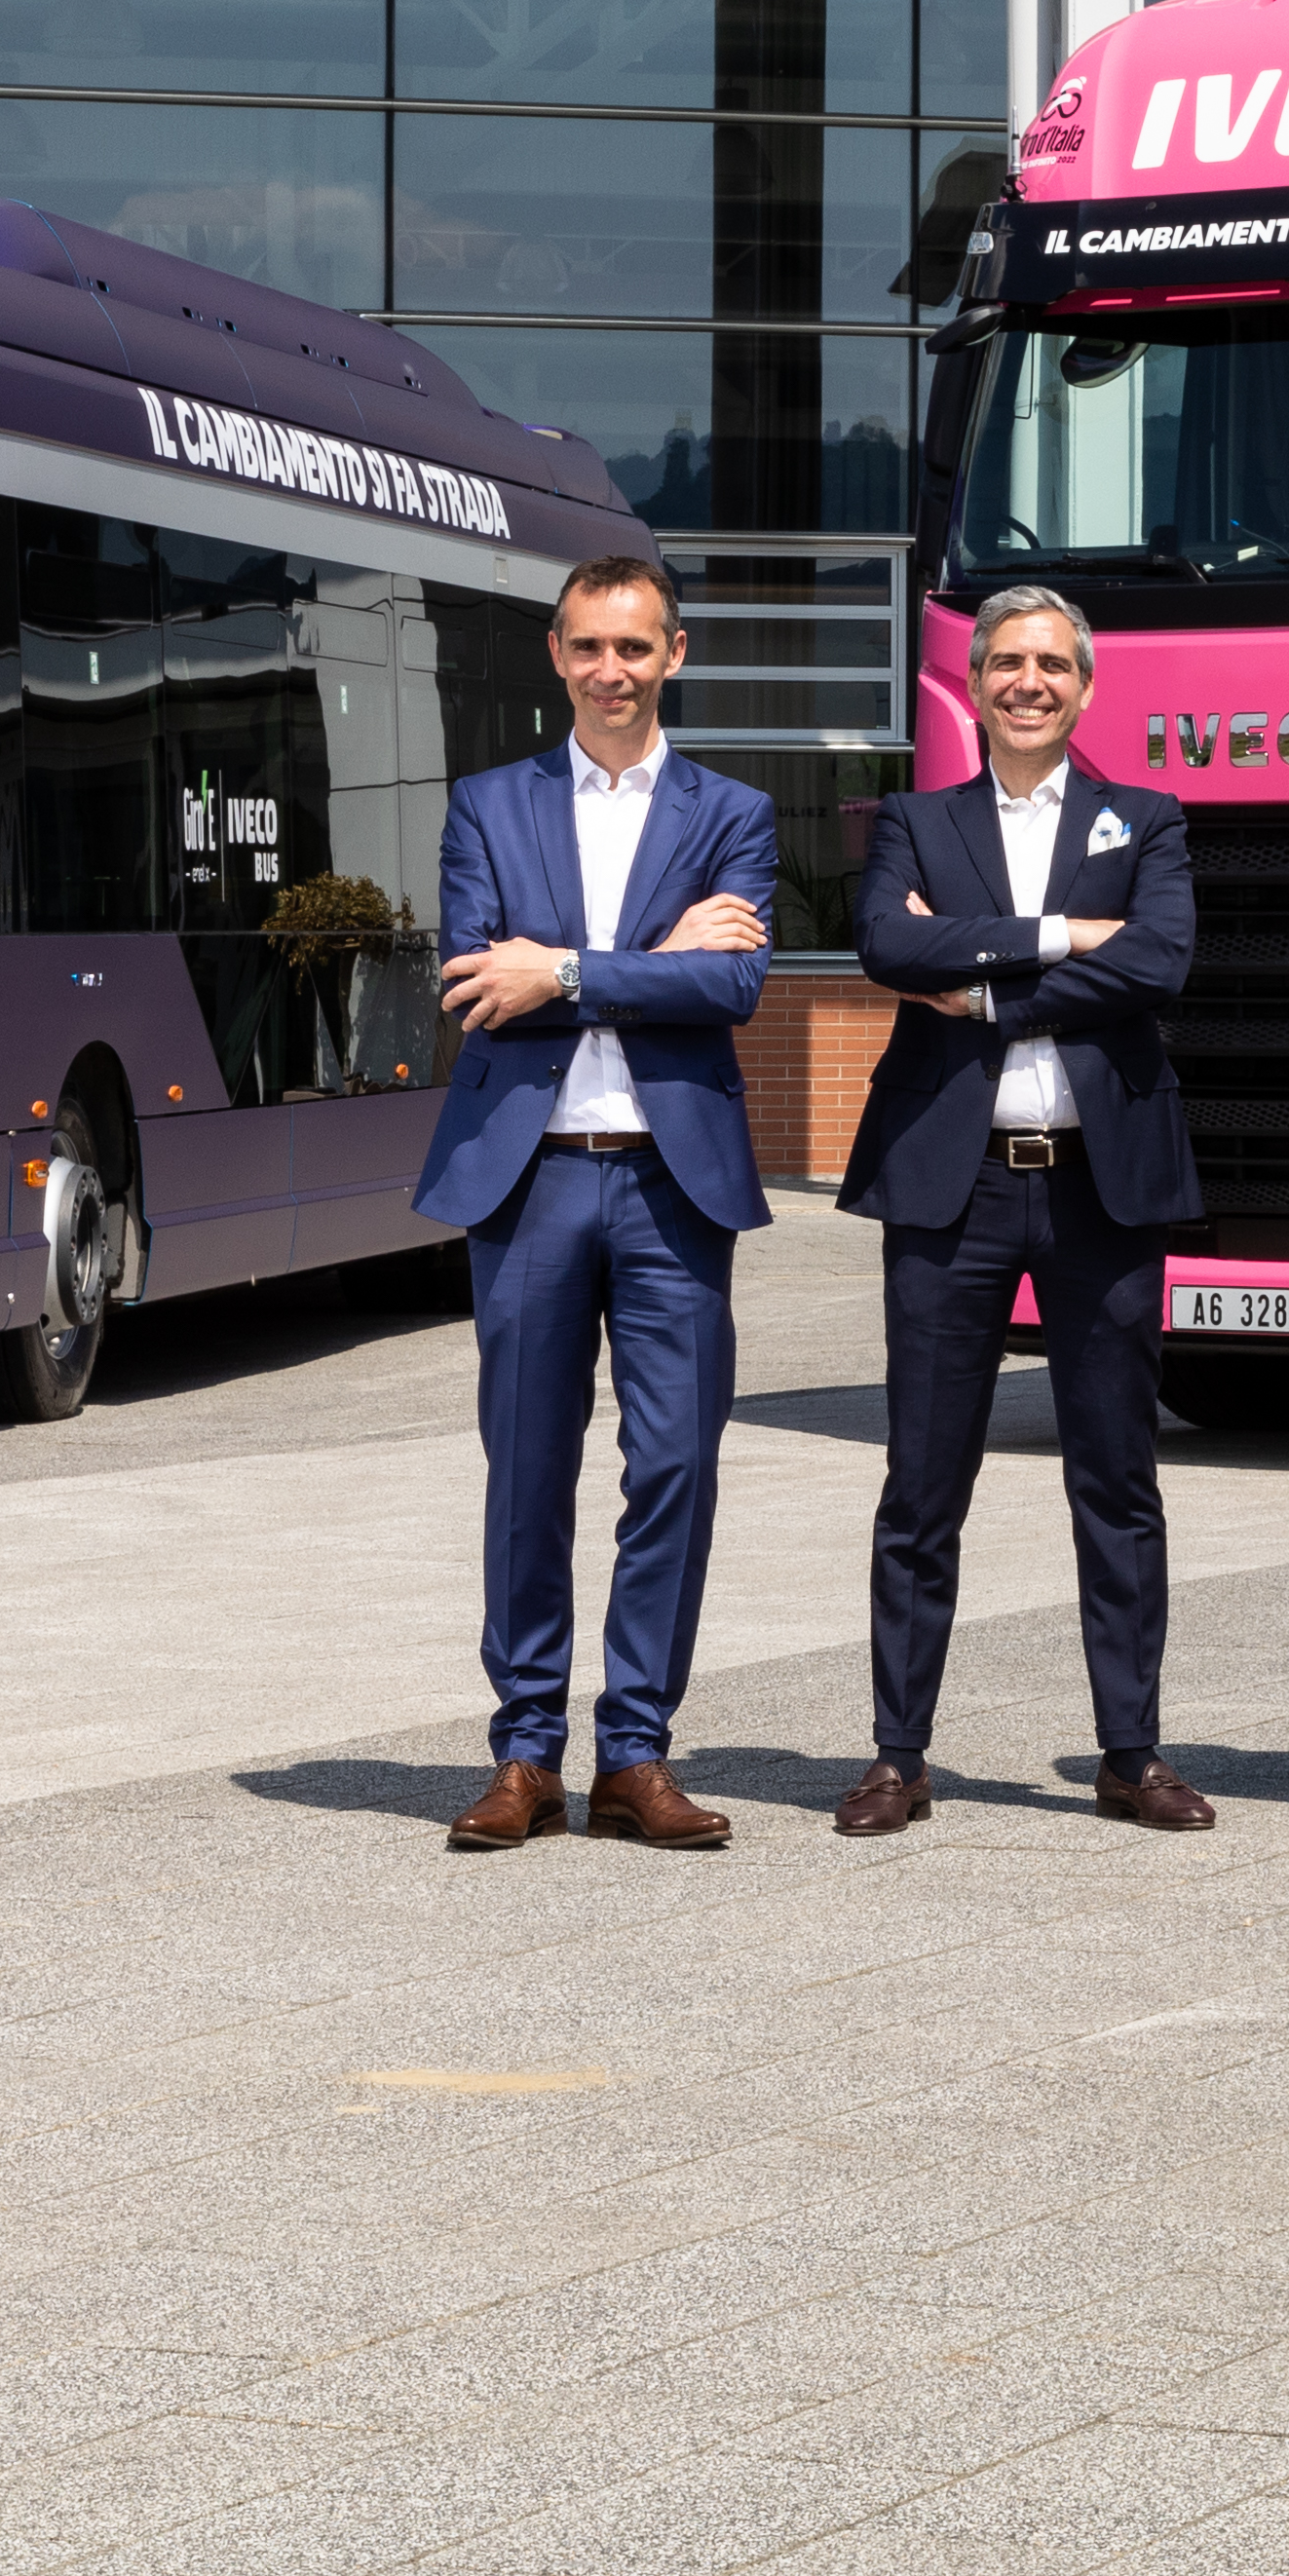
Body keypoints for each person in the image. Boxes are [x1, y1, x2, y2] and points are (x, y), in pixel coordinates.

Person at [412, 550, 777, 1854]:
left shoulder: (732, 810)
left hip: (674, 1185)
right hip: (533, 1173)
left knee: (673, 1463)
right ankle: (524, 1754)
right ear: (556, 657)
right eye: (587, 647)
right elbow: (474, 981)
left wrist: (560, 965)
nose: (610, 670)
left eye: (634, 647)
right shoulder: (488, 805)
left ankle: (634, 1751)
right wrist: (643, 962)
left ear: (674, 654)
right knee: (529, 1468)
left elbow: (731, 991)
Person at [838, 584, 1206, 1833]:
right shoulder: (916, 820)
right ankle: (899, 1752)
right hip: (957, 1189)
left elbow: (1158, 960)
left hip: (1102, 1186)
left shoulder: (1144, 818)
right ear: (977, 681)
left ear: (1086, 686)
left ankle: (1131, 1753)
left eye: (1053, 663)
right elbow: (889, 944)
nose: (1029, 682)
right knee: (922, 1483)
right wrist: (1061, 935)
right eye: (1006, 662)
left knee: (1118, 1478)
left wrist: (988, 981)